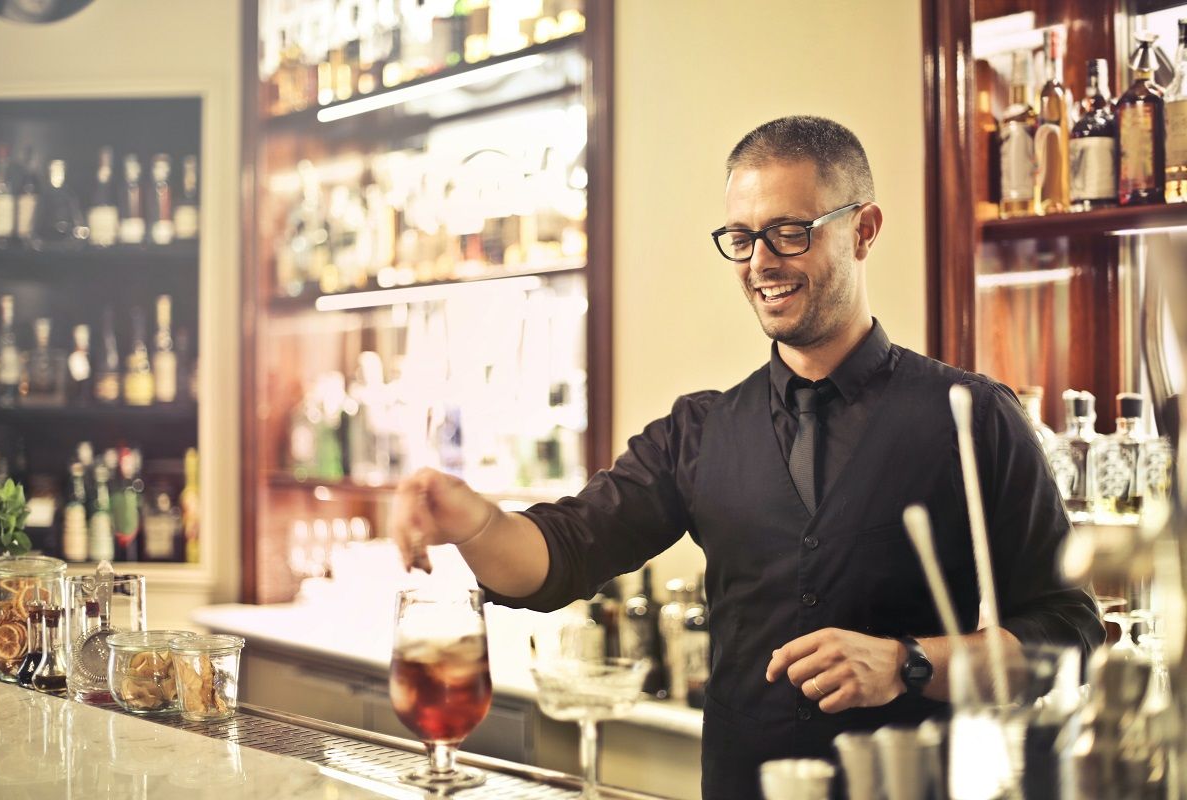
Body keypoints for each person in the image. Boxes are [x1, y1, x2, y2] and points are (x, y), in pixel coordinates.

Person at [388, 115, 1104, 799]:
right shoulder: (698, 431)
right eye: (742, 236)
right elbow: (561, 553)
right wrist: (475, 522)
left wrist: (906, 664)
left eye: (789, 233)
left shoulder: (972, 416)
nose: (761, 262)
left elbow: (1065, 634)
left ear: (864, 230)